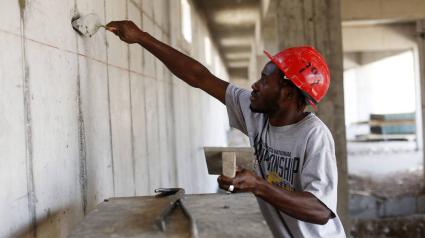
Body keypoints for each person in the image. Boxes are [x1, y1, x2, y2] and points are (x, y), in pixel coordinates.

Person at [106, 21, 346, 238]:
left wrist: (257, 185)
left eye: (264, 81)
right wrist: (142, 37)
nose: (254, 85)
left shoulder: (314, 135)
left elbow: (321, 210)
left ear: (288, 94)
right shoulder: (256, 113)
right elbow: (199, 77)